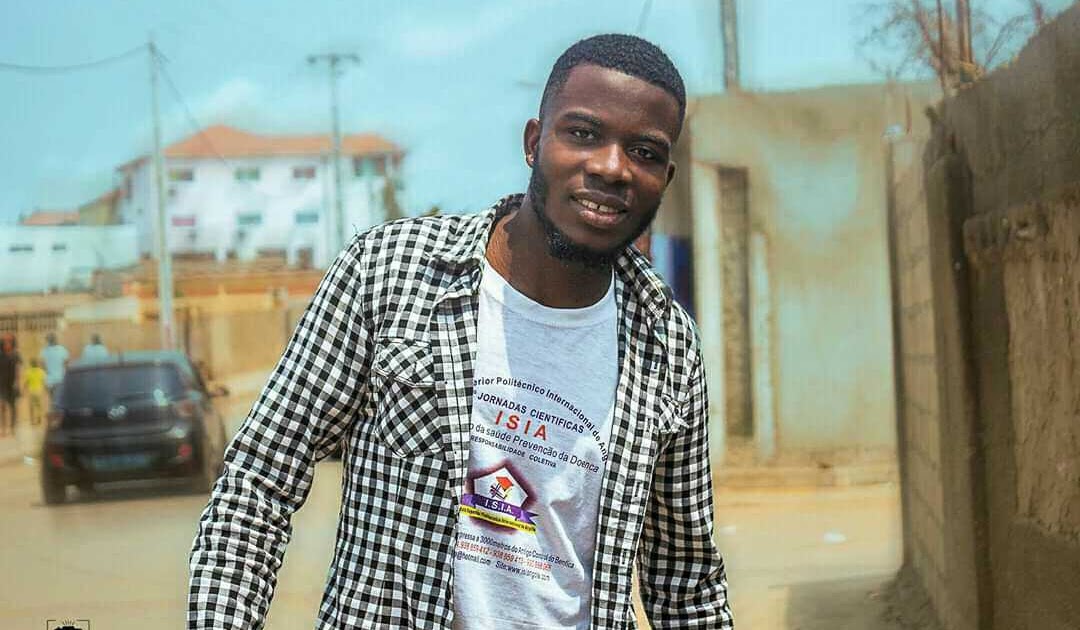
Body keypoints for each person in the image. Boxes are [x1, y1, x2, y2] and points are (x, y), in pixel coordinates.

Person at [189, 34, 732, 629]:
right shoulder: (390, 274)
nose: (610, 167)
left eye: (644, 152)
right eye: (582, 133)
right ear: (534, 142)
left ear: (665, 177)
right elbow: (258, 483)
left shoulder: (667, 345)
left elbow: (686, 583)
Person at [0, 335, 19, 436]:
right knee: (2, 406)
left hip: (12, 384)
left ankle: (13, 428)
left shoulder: (15, 355)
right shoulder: (0, 355)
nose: (7, 344)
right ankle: (3, 429)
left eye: (9, 342)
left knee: (13, 407)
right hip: (2, 384)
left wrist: (16, 382)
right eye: (5, 342)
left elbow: (18, 369)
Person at [23, 358, 47, 426]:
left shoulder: (28, 372)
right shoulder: (41, 371)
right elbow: (43, 382)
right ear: (37, 364)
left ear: (31, 364)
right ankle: (39, 417)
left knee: (31, 406)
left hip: (31, 391)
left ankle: (32, 420)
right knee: (39, 405)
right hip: (39, 391)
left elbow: (27, 382)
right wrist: (45, 390)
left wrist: (24, 389)